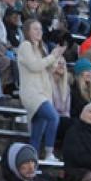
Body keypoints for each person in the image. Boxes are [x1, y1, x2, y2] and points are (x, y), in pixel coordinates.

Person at [17, 19, 65, 159]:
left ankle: (32, 158)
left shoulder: (42, 47)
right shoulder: (25, 46)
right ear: (27, 31)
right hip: (32, 93)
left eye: (40, 29)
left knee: (36, 134)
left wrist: (57, 55)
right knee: (53, 117)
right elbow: (34, 66)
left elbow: (50, 69)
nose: (39, 32)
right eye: (35, 29)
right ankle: (49, 153)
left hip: (44, 92)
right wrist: (52, 56)